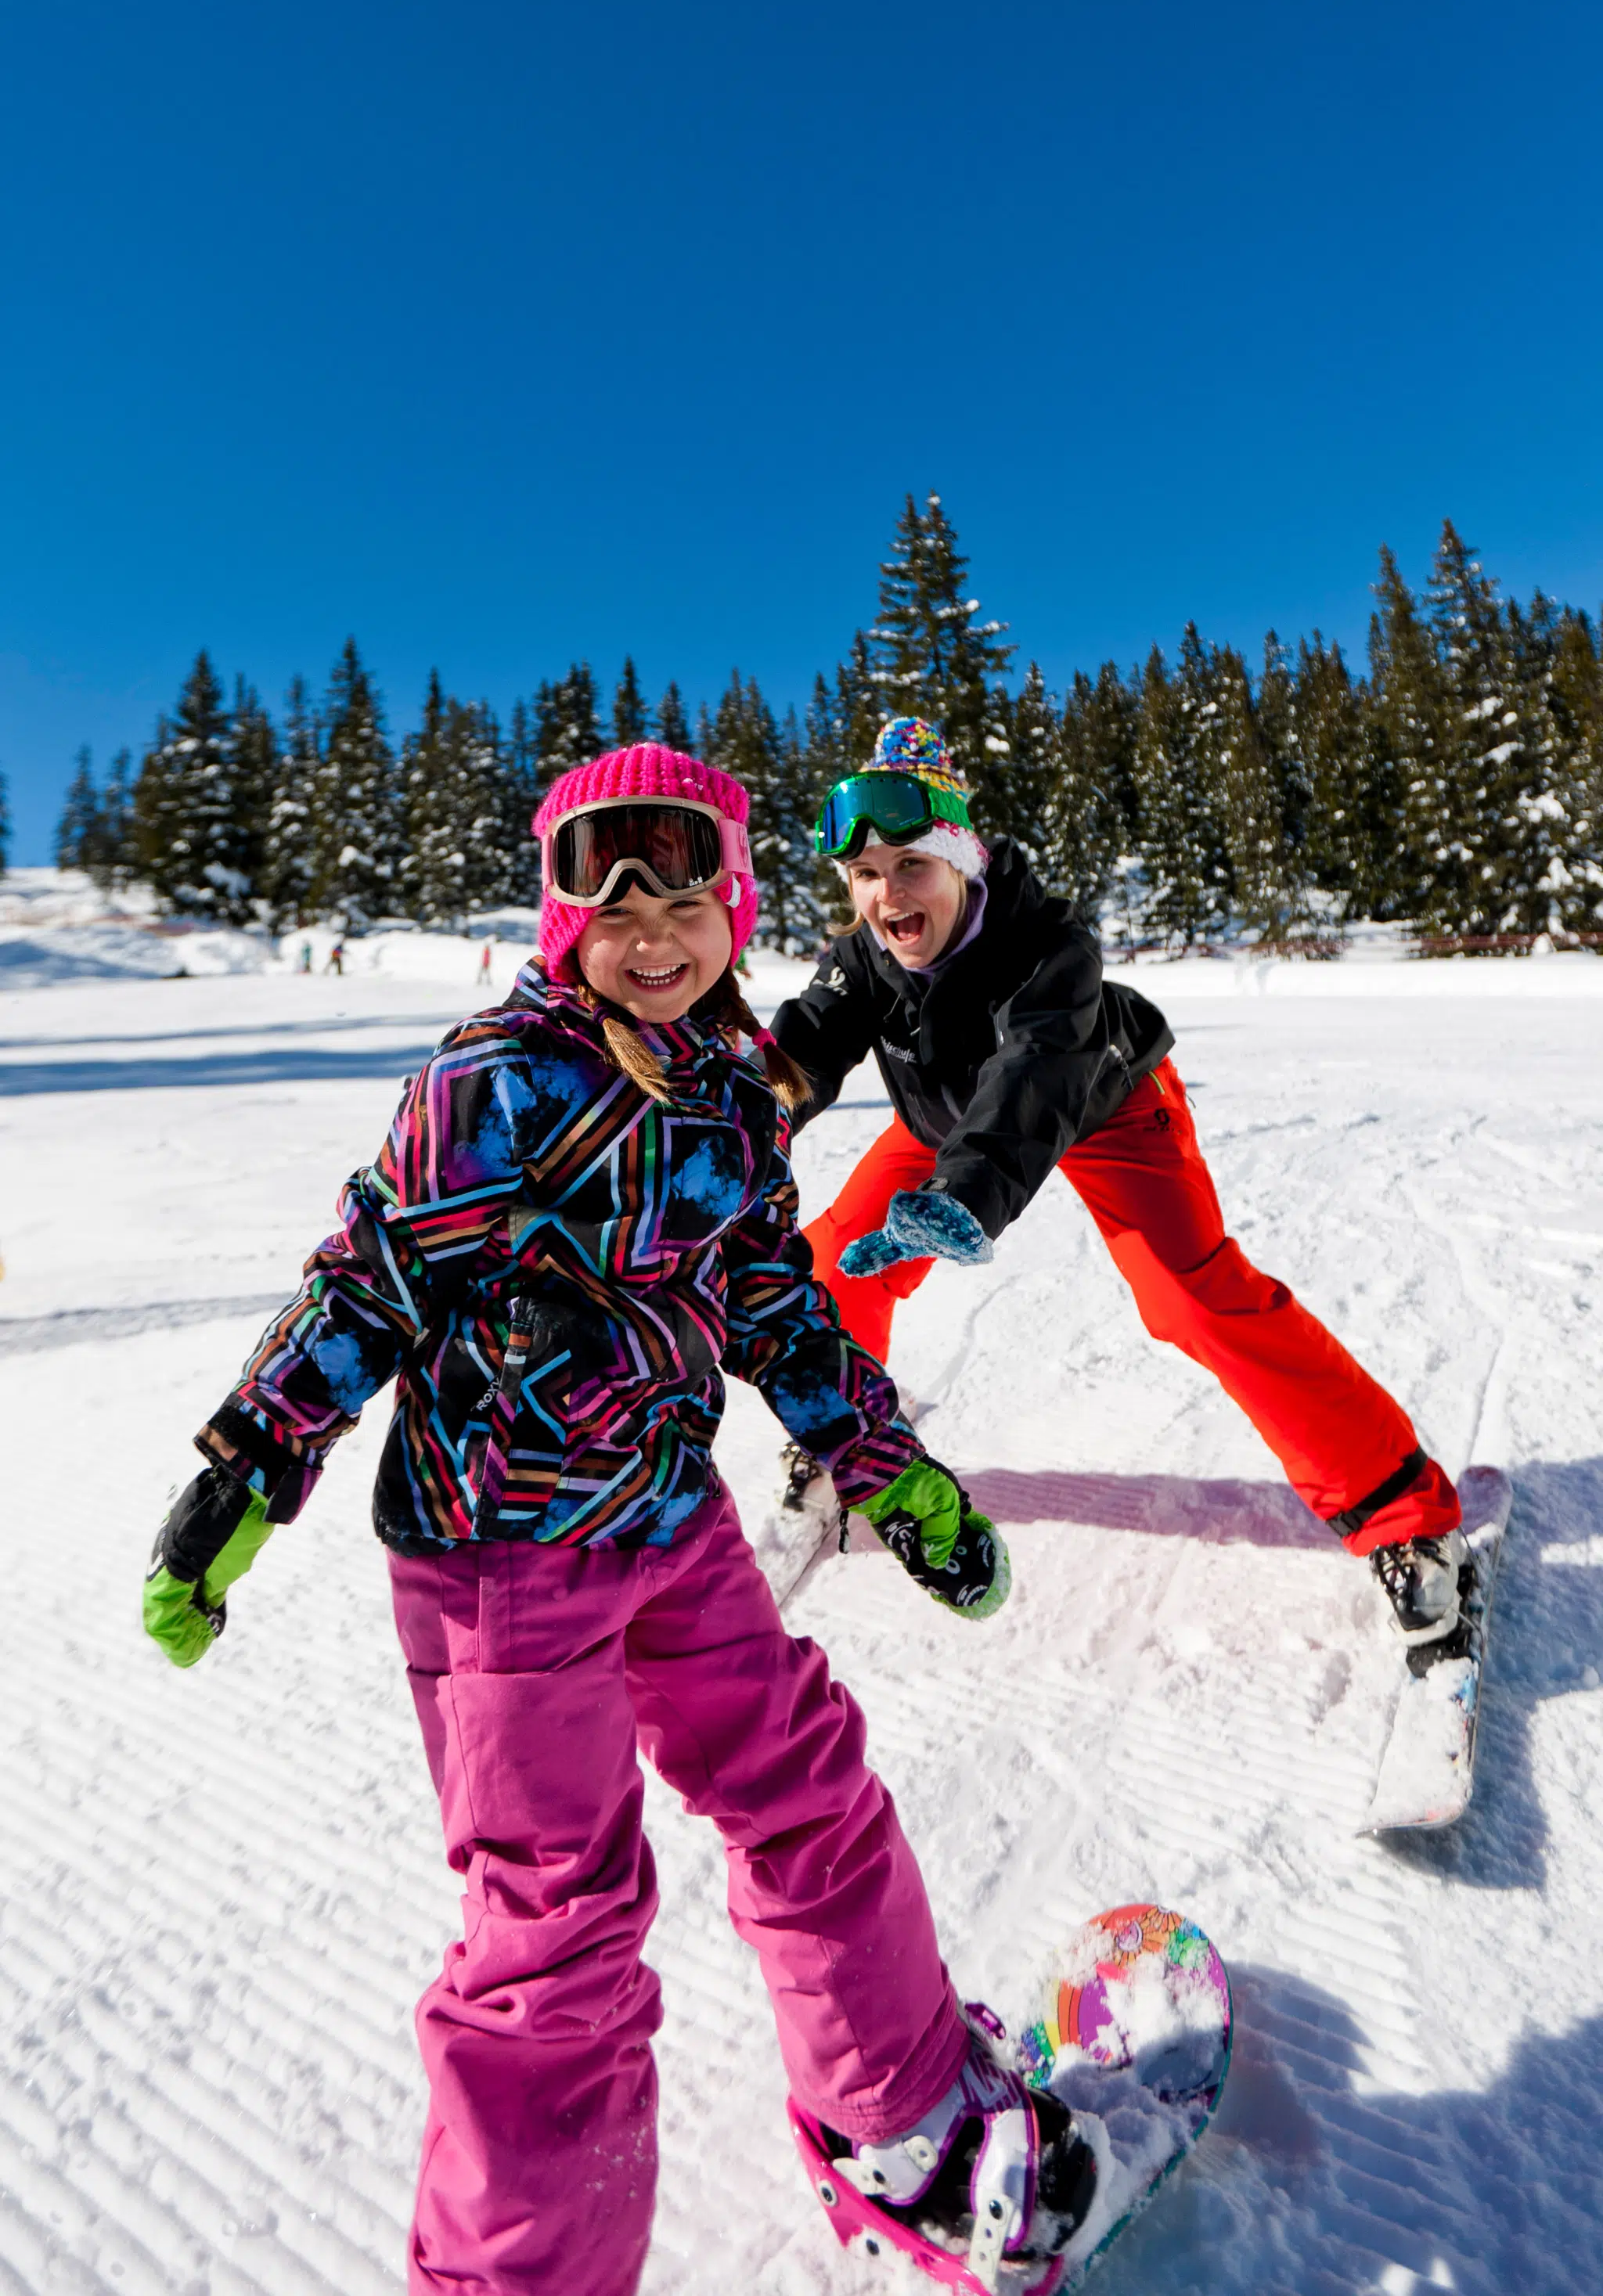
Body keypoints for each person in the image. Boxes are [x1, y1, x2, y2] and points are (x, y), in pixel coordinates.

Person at [141, 743, 1092, 2296]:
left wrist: (887, 1464)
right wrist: (252, 1459)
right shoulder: (486, 1083)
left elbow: (779, 1307)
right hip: (497, 1568)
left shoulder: (731, 1094)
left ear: (736, 903)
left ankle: (900, 2113)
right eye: (605, 881)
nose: (648, 924)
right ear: (558, 906)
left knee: (808, 1790)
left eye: (681, 883)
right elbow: (366, 1278)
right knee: (556, 1938)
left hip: (668, 1521)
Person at [771, 717, 1469, 1650]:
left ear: (958, 858)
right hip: (940, 1121)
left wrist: (965, 1193)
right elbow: (804, 1042)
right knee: (830, 1266)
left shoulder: (1044, 940)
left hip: (1104, 1102)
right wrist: (728, 1118)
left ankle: (1404, 1515)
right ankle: (842, 1438)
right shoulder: (865, 950)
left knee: (1195, 1296)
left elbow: (1036, 1073)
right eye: (864, 876)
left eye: (908, 865)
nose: (886, 893)